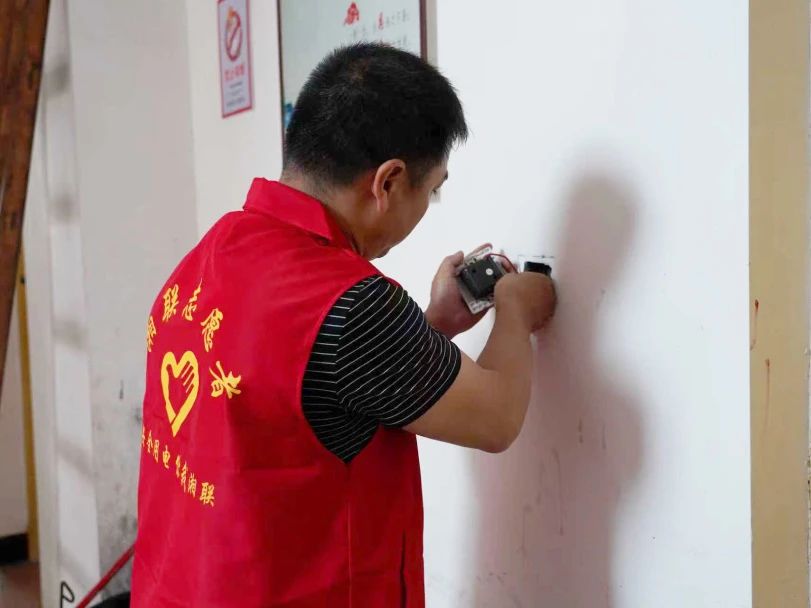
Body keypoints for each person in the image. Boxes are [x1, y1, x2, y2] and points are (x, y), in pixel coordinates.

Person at [130, 42, 556, 608]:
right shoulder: (352, 304)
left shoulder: (213, 251)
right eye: (432, 189)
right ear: (388, 182)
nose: (428, 206)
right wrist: (517, 309)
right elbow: (496, 417)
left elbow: (303, 392)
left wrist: (431, 326)